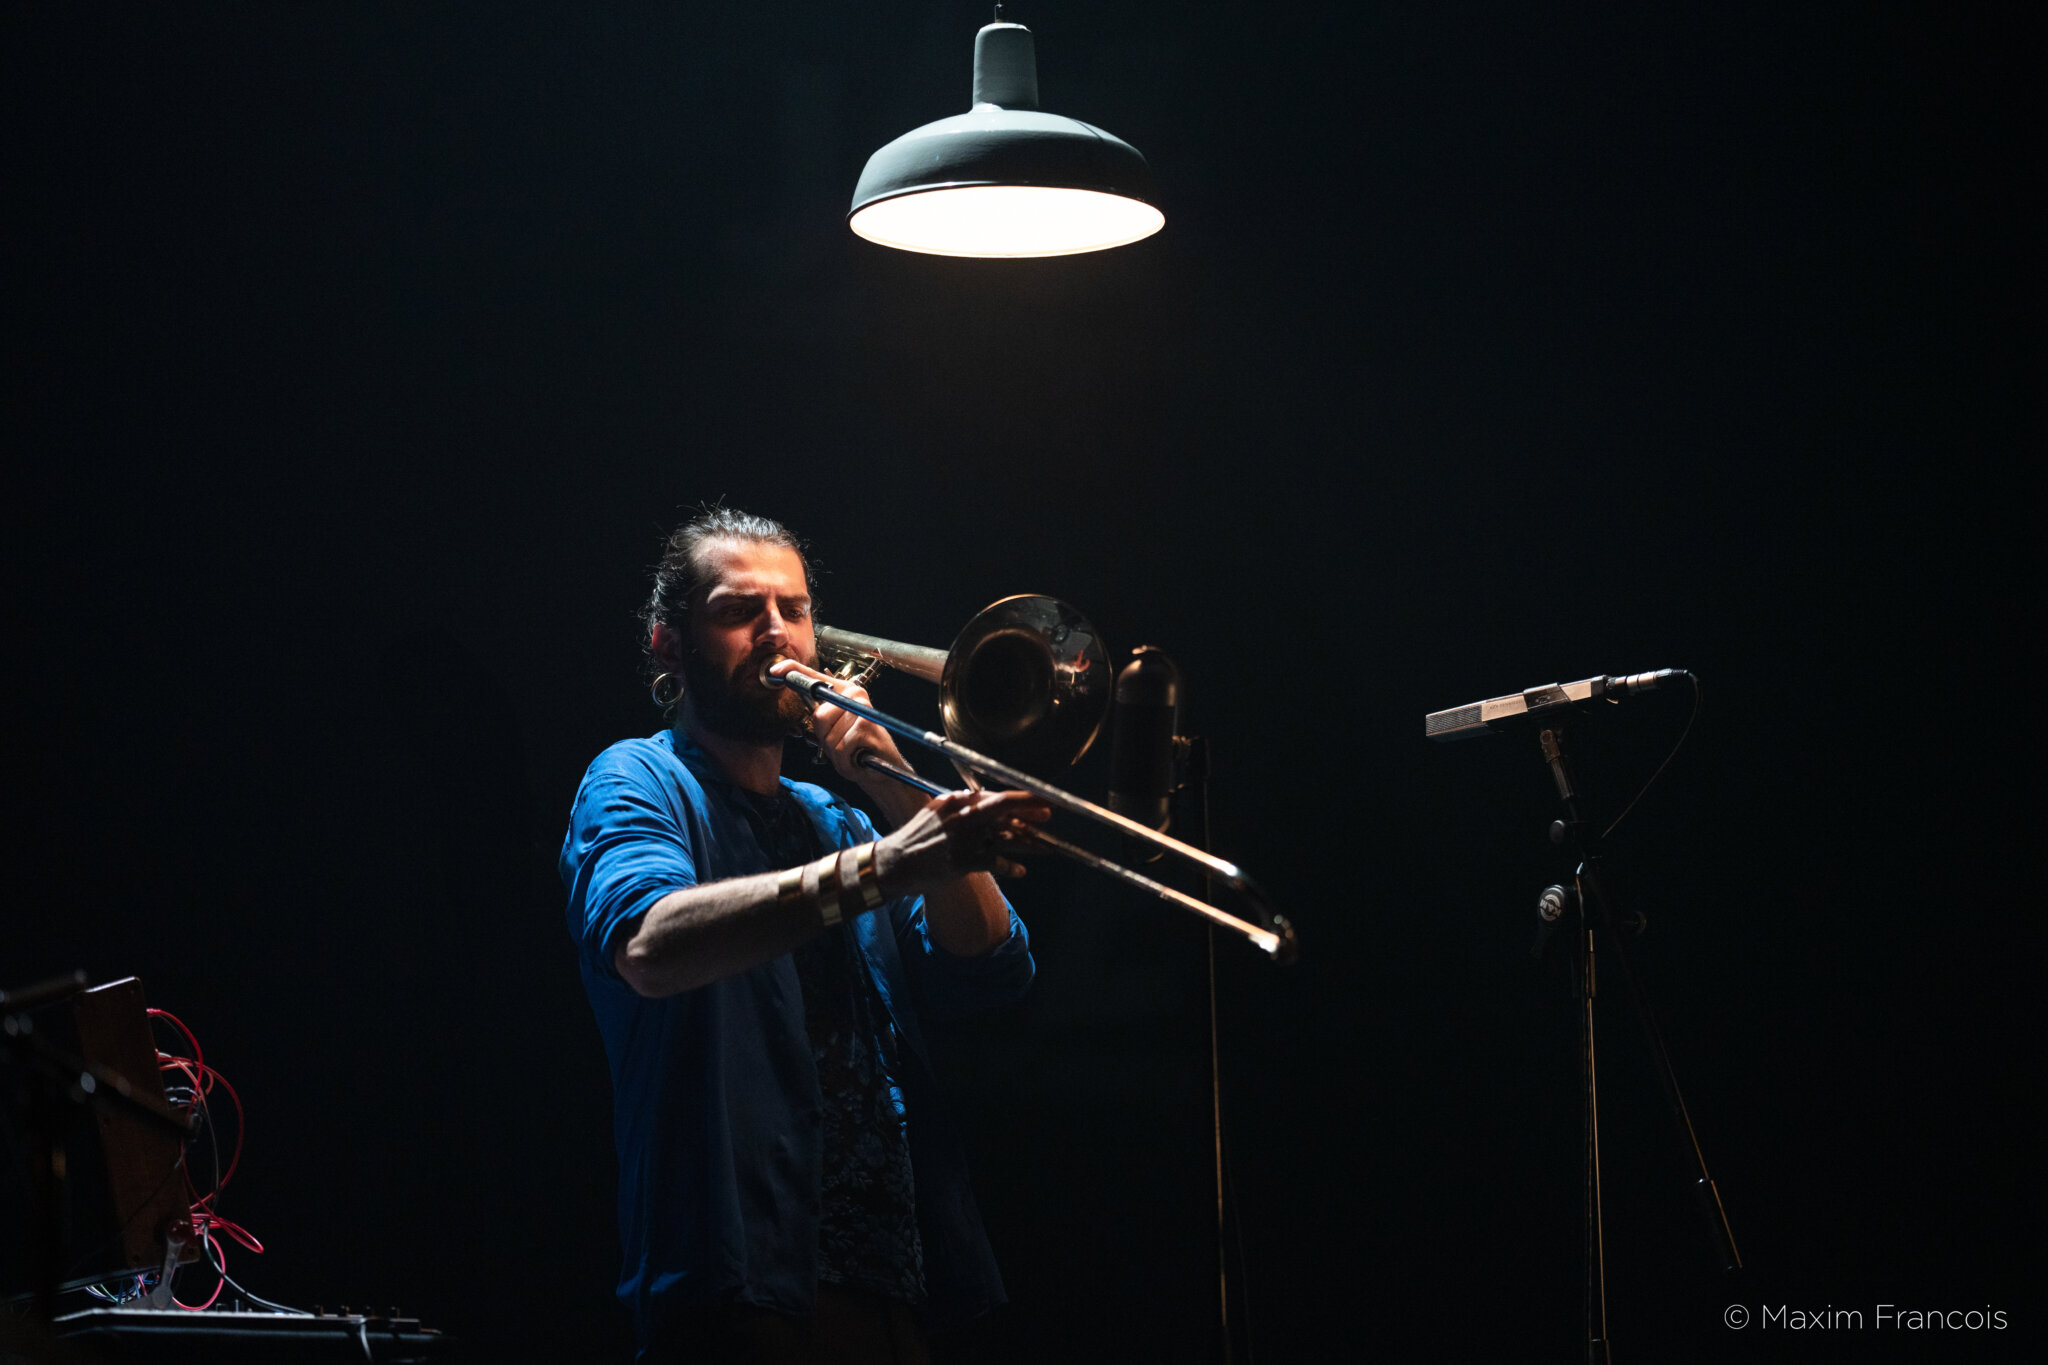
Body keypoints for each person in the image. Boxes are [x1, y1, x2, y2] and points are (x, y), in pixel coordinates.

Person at [561, 508, 1049, 1363]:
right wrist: (883, 866)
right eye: (738, 610)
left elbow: (990, 966)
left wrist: (892, 782)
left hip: (898, 1283)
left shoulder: (839, 816)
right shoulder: (634, 778)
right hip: (740, 1287)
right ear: (669, 645)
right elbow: (647, 945)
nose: (776, 631)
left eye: (794, 608)